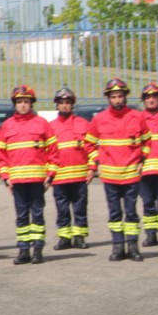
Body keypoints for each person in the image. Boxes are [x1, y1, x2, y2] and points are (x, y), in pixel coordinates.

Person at [85, 78, 150, 262]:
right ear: (108, 98)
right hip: (110, 177)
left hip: (131, 175)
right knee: (114, 214)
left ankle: (133, 247)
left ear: (125, 97)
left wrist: (142, 159)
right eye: (113, 97)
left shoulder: (137, 117)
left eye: (120, 96)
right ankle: (117, 247)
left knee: (130, 212)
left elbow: (147, 141)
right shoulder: (99, 119)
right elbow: (88, 144)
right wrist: (98, 160)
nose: (117, 100)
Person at [0, 85, 54, 265]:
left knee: (37, 215)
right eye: (19, 102)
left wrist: (50, 176)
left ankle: (37, 250)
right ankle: (23, 250)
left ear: (31, 103)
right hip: (18, 182)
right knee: (21, 216)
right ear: (15, 104)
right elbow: (2, 156)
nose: (23, 105)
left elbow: (53, 151)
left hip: (37, 181)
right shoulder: (7, 126)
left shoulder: (42, 124)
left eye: (26, 102)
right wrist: (6, 179)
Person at [46, 86, 94, 250]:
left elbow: (91, 148)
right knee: (62, 210)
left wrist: (92, 168)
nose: (64, 105)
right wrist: (48, 174)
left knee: (80, 209)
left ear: (72, 104)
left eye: (67, 102)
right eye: (61, 103)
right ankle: (64, 238)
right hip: (59, 177)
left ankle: (79, 237)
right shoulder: (50, 127)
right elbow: (47, 152)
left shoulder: (83, 124)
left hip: (80, 177)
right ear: (57, 105)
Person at [139, 82, 158, 246]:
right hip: (144, 171)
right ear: (144, 100)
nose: (151, 100)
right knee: (148, 204)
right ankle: (151, 235)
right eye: (148, 97)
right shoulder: (138, 119)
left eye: (154, 97)